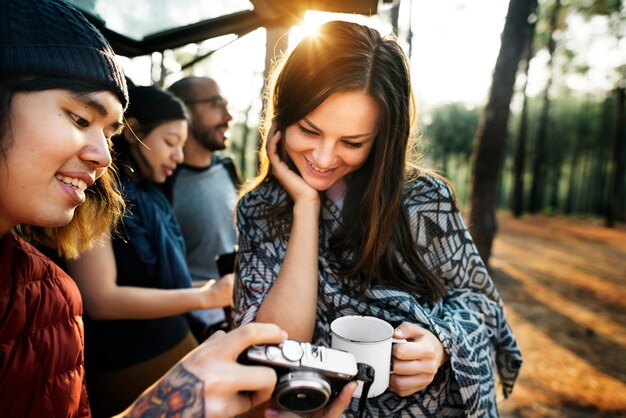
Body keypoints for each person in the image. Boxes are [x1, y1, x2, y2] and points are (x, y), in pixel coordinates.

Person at [0, 1, 355, 417]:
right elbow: (107, 298)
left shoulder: (50, 297)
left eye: (108, 133)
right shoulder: (115, 214)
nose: (102, 156)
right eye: (79, 119)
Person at [233, 20, 523, 417]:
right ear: (281, 117)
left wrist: (440, 346)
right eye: (308, 130)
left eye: (352, 142)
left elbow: (482, 306)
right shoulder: (260, 211)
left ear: (383, 137)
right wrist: (305, 207)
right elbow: (276, 342)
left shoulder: (423, 200)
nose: (322, 158)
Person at [61, 83, 235, 417]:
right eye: (171, 142)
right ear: (132, 130)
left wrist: (216, 291)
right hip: (128, 363)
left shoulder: (151, 196)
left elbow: (164, 290)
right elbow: (102, 300)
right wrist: (205, 297)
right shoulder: (93, 197)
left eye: (182, 146)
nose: (179, 156)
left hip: (176, 344)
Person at [167, 76, 241, 339]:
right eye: (216, 105)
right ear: (185, 111)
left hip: (242, 306)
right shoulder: (164, 182)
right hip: (198, 324)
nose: (228, 115)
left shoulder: (228, 168)